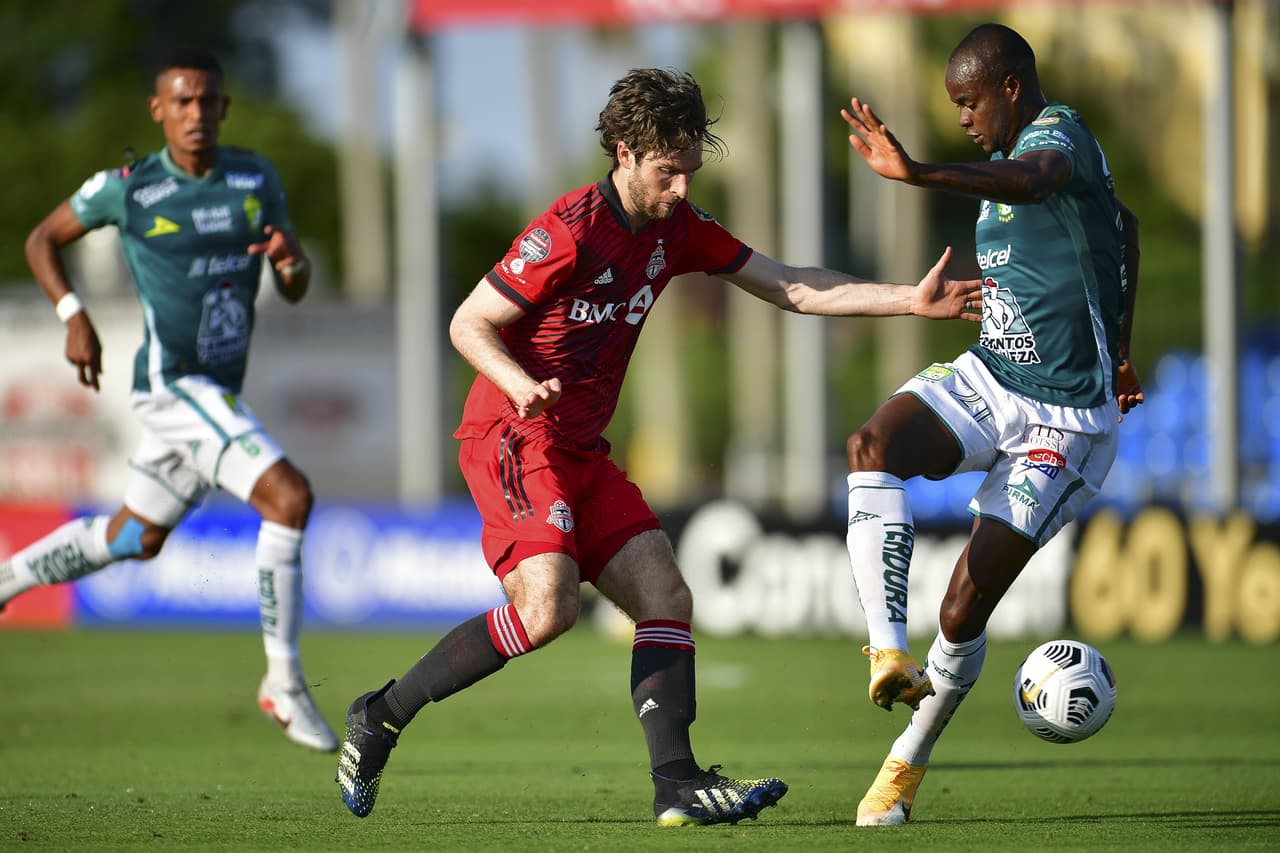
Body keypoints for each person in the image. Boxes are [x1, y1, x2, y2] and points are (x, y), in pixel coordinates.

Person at [335, 67, 982, 825]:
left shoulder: (677, 228)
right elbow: (467, 323)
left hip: (580, 447)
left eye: (689, 171)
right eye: (666, 171)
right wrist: (518, 383)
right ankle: (379, 713)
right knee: (546, 610)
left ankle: (676, 782)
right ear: (623, 152)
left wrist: (909, 298)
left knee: (667, 596)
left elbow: (793, 287)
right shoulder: (568, 230)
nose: (680, 188)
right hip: (513, 433)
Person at [837, 23, 1144, 825]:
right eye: (955, 107)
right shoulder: (1014, 166)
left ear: (1011, 85)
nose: (965, 118)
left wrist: (917, 172)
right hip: (992, 376)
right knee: (872, 444)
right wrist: (1123, 340)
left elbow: (1039, 180)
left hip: (1066, 419)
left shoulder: (1058, 134)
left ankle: (905, 765)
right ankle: (884, 647)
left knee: (962, 611)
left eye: (970, 101)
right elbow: (1127, 229)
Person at [0, 49, 338, 753]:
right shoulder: (129, 187)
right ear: (158, 110)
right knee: (289, 497)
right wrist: (73, 314)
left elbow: (296, 279)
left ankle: (7, 580)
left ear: (223, 107)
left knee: (135, 538)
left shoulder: (254, 177)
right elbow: (42, 238)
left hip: (215, 391)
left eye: (207, 101)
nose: (195, 114)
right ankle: (283, 679)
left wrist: (291, 261)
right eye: (181, 102)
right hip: (174, 384)